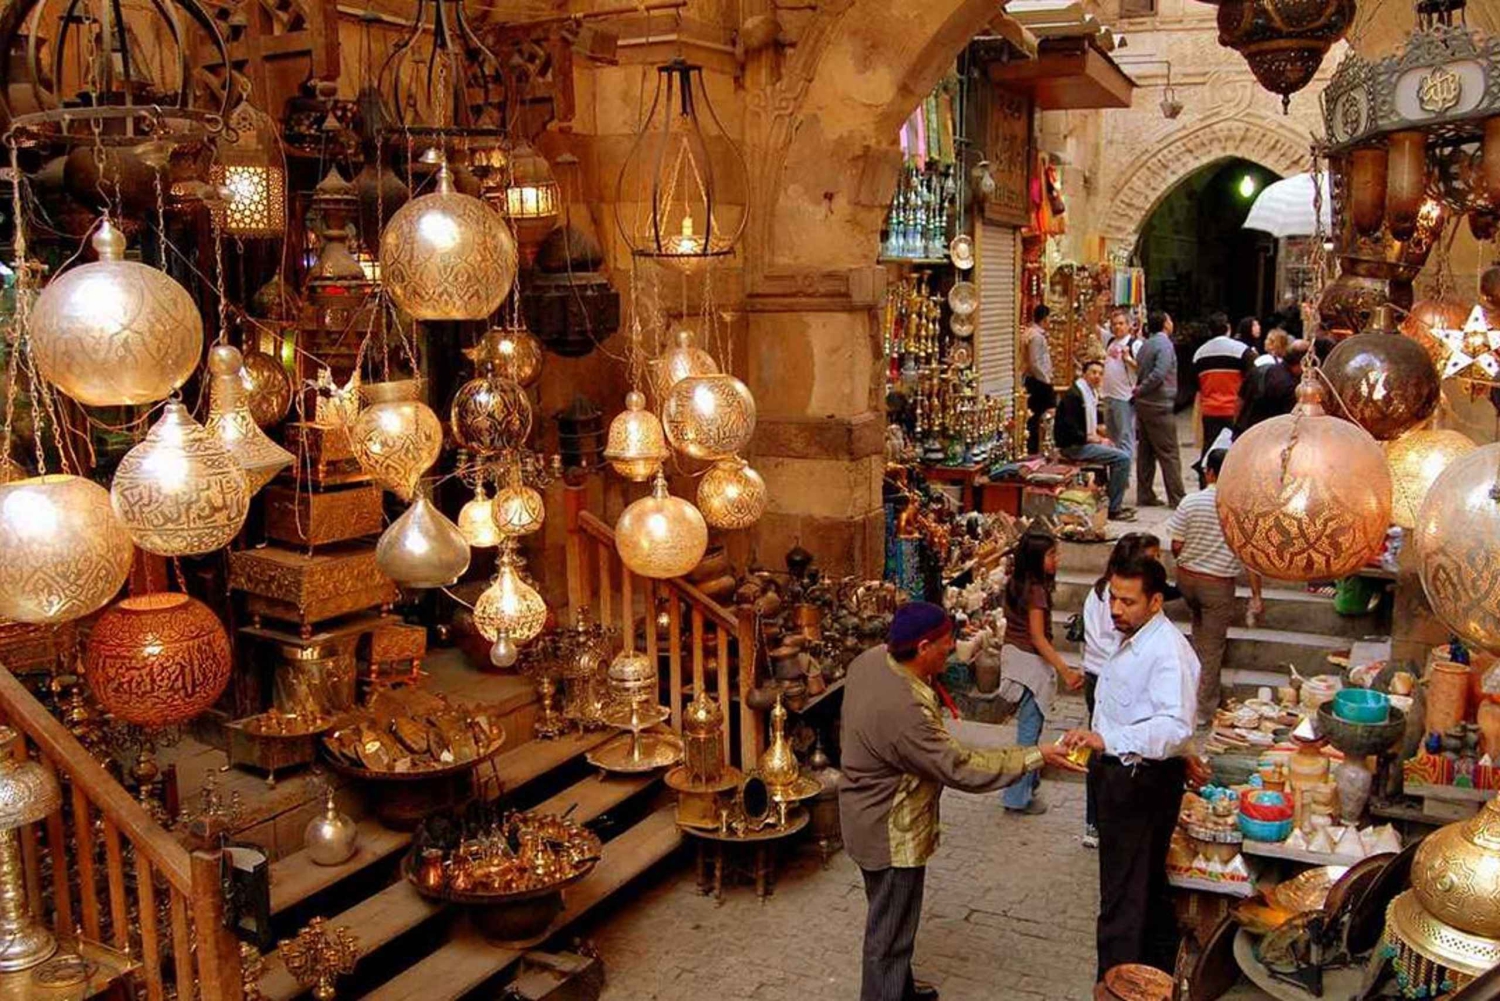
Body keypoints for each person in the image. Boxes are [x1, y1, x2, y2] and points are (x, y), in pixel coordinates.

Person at [840, 601, 1080, 1001]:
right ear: (922, 647)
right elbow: (962, 767)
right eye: (946, 643)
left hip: (863, 814)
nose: (951, 649)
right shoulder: (906, 710)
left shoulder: (871, 661)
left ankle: (899, 987)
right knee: (888, 935)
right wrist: (1036, 755)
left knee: (891, 918)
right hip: (890, 831)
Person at [1061, 555, 1201, 980]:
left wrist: (1109, 740)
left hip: (1141, 782)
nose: (1116, 610)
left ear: (1155, 602)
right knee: (1142, 890)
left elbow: (1174, 727)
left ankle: (1117, 984)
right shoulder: (1133, 637)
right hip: (1122, 778)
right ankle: (1153, 978)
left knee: (1124, 900)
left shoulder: (1166, 651)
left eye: (1128, 601)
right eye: (1113, 599)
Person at [1167, 447, 1264, 726]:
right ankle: (1202, 711)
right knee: (1211, 650)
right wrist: (1256, 595)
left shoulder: (1190, 502)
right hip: (1217, 585)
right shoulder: (1241, 508)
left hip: (1187, 579)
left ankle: (1191, 696)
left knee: (1200, 637)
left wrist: (1189, 559)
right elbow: (1250, 558)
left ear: (1208, 472)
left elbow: (1176, 544)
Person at [1081, 532, 1163, 848]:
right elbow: (1101, 639)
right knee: (1102, 751)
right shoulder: (1103, 595)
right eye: (1150, 558)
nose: (1118, 608)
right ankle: (1096, 820)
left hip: (1117, 676)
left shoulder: (1163, 642)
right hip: (1102, 675)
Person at [999, 532, 1084, 816]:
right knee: (1028, 734)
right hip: (1030, 666)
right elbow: (1037, 637)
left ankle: (1029, 785)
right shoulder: (1036, 592)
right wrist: (1065, 670)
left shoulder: (1017, 583)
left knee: (1029, 729)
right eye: (1051, 555)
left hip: (1015, 658)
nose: (1057, 559)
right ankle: (1016, 796)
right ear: (1036, 559)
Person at [1055, 359, 1135, 521]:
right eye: (1093, 372)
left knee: (1116, 451)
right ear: (1084, 374)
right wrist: (1093, 439)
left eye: (1100, 373)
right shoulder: (1074, 396)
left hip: (1083, 442)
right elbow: (1070, 429)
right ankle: (1114, 508)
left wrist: (1100, 436)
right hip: (1074, 446)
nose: (1097, 376)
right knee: (1123, 459)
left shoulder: (1090, 393)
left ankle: (1109, 501)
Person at [1191, 312, 1252, 488]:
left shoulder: (1199, 354)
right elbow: (1253, 378)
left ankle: (1206, 487)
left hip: (1210, 411)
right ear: (1228, 328)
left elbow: (1196, 385)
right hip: (1234, 410)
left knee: (1209, 452)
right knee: (1236, 452)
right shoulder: (1241, 350)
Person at [1133, 310, 1186, 509]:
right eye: (1169, 319)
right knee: (1168, 452)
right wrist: (1142, 388)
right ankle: (1177, 496)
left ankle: (1145, 493)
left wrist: (1140, 390)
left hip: (1144, 404)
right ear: (1165, 324)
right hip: (1159, 403)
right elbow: (1159, 373)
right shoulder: (1165, 345)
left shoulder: (1146, 344)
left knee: (1146, 451)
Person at [1237, 341, 1307, 434]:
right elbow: (1290, 421)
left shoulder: (1259, 370)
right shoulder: (1291, 386)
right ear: (1303, 364)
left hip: (1244, 431)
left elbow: (1239, 401)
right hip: (1268, 434)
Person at [1102, 310, 1139, 457]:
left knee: (1125, 435)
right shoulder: (1110, 341)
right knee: (1112, 436)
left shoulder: (1135, 344)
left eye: (1121, 323)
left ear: (1129, 325)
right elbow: (1093, 325)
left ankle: (1126, 466)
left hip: (1124, 397)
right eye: (1114, 324)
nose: (1117, 327)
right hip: (1108, 395)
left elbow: (1143, 369)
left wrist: (1128, 359)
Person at [1024, 304, 1056, 455]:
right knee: (1037, 416)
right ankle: (1034, 448)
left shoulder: (1034, 334)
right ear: (1045, 319)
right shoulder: (1036, 337)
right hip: (1038, 383)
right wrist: (1046, 380)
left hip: (1038, 380)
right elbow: (1035, 362)